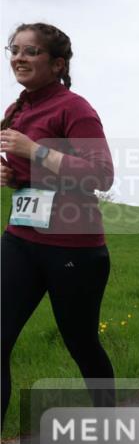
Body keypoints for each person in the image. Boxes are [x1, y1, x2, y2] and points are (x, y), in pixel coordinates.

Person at [1, 23, 116, 423]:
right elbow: (35, 177)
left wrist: (33, 151)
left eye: (31, 51)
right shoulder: (17, 109)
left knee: (81, 344)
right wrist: (14, 177)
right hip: (19, 239)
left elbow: (101, 176)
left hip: (73, 248)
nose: (18, 57)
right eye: (14, 49)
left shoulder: (75, 108)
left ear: (57, 63)